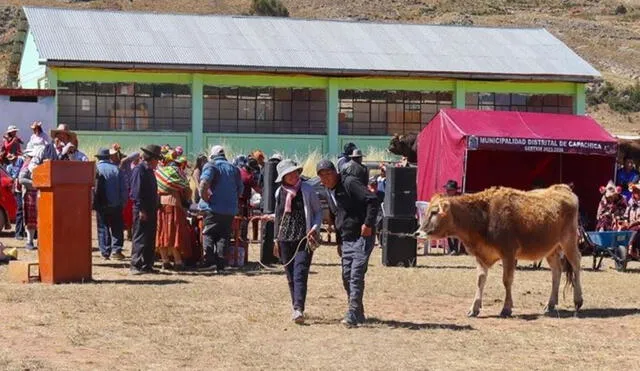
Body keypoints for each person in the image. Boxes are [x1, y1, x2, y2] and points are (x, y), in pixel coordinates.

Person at [316, 159, 379, 328]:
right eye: (322, 176)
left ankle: (352, 312)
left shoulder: (350, 183)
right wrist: (339, 242)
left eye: (328, 174)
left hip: (361, 235)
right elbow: (337, 216)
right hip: (346, 238)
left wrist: (368, 224)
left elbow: (372, 200)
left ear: (335, 172)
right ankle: (358, 312)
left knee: (355, 274)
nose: (326, 178)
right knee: (346, 276)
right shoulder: (328, 191)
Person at [273, 159, 322, 324]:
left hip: (304, 238)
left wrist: (315, 228)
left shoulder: (307, 189)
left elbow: (317, 212)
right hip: (284, 238)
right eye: (289, 174)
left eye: (295, 172)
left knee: (300, 272)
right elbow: (279, 216)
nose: (293, 176)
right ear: (283, 177)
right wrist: (275, 239)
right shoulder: (279, 192)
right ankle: (296, 305)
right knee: (290, 275)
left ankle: (298, 308)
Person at [198, 145, 243, 271]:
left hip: (213, 207)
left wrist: (204, 198)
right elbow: (240, 189)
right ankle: (221, 263)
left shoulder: (211, 166)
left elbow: (204, 183)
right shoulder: (234, 169)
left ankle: (209, 261)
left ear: (212, 155)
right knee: (224, 235)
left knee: (209, 233)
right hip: (230, 210)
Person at [129, 144, 162, 275]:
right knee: (140, 237)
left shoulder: (149, 171)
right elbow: (136, 192)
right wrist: (142, 209)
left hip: (151, 209)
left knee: (149, 238)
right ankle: (135, 265)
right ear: (151, 158)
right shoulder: (139, 170)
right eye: (157, 159)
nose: (158, 162)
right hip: (142, 209)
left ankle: (147, 264)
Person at [155, 155, 192, 271]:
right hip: (175, 204)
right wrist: (186, 199)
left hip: (160, 205)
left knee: (161, 231)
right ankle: (178, 261)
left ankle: (165, 260)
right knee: (174, 232)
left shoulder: (159, 172)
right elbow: (187, 190)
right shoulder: (178, 173)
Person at [93, 148, 127, 261]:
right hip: (116, 204)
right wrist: (123, 201)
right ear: (109, 157)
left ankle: (105, 251)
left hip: (101, 203)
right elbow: (123, 189)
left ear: (98, 158)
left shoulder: (95, 169)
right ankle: (116, 250)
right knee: (117, 227)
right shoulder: (117, 169)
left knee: (103, 228)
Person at [110, 144, 140, 242]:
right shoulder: (111, 163)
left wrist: (125, 160)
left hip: (128, 189)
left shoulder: (125, 161)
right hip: (117, 190)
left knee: (129, 212)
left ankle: (130, 231)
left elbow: (137, 154)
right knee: (120, 212)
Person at [18, 147, 38, 250]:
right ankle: (29, 241)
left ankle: (40, 241)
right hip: (30, 194)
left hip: (39, 194)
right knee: (30, 220)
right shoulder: (26, 166)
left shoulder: (38, 164)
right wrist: (36, 183)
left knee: (40, 219)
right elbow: (21, 179)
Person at [6, 153, 25, 240]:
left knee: (22, 210)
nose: (12, 159)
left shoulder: (20, 161)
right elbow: (11, 178)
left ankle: (21, 232)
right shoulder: (9, 167)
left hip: (21, 188)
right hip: (17, 190)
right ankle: (18, 233)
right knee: (20, 209)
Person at [442, 180, 464, 255]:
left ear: (454, 190)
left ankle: (456, 249)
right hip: (448, 219)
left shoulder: (460, 197)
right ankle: (452, 249)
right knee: (446, 228)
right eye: (447, 190)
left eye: (449, 190)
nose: (447, 191)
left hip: (460, 219)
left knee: (455, 228)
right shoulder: (445, 197)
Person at [619, 183, 640, 255]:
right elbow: (626, 215)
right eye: (634, 191)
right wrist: (625, 222)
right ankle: (620, 251)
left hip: (637, 224)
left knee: (635, 231)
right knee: (620, 229)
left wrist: (632, 223)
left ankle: (632, 251)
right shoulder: (631, 202)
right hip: (630, 224)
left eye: (637, 191)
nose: (635, 193)